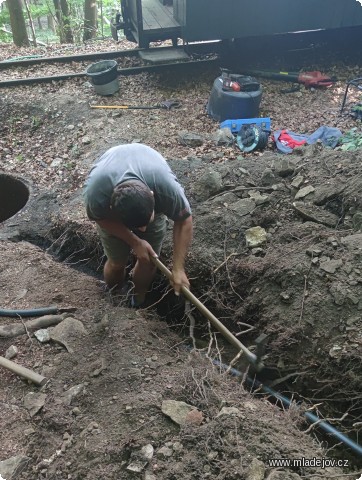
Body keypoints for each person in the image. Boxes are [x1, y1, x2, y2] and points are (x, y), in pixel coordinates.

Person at [83, 143, 192, 307]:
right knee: (117, 262)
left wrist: (178, 268)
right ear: (112, 209)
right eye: (138, 227)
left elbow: (184, 221)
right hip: (114, 206)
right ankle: (114, 295)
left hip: (148, 181)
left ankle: (138, 301)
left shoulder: (166, 188)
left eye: (146, 223)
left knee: (148, 261)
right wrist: (134, 241)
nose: (143, 231)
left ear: (153, 197)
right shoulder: (97, 193)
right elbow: (100, 218)